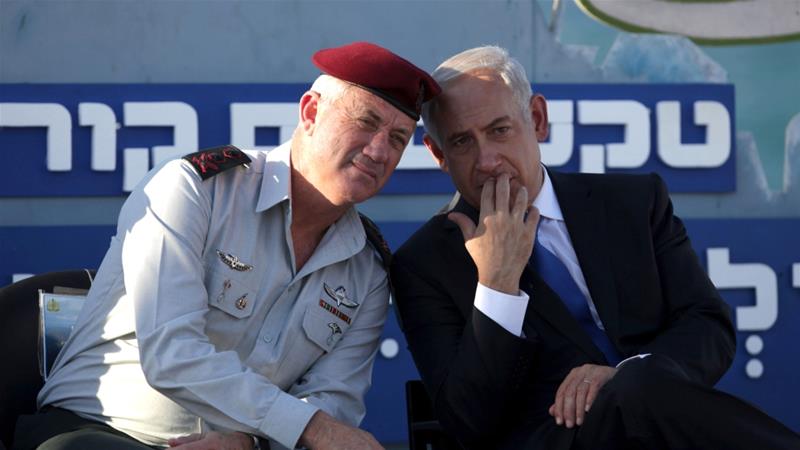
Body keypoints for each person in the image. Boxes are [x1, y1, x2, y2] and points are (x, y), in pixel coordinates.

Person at [12, 42, 440, 450]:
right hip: (99, 429)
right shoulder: (195, 190)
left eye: (399, 138)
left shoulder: (368, 267)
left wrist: (253, 442)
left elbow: (336, 400)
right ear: (310, 112)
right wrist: (306, 427)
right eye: (365, 121)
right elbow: (172, 352)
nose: (380, 150)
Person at [391, 45, 800, 450]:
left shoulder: (633, 203)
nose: (487, 160)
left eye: (500, 130)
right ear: (438, 155)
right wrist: (497, 284)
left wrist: (625, 374)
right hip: (553, 441)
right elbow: (467, 422)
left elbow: (709, 326)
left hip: (661, 423)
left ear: (536, 119)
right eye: (462, 142)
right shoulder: (424, 264)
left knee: (639, 386)